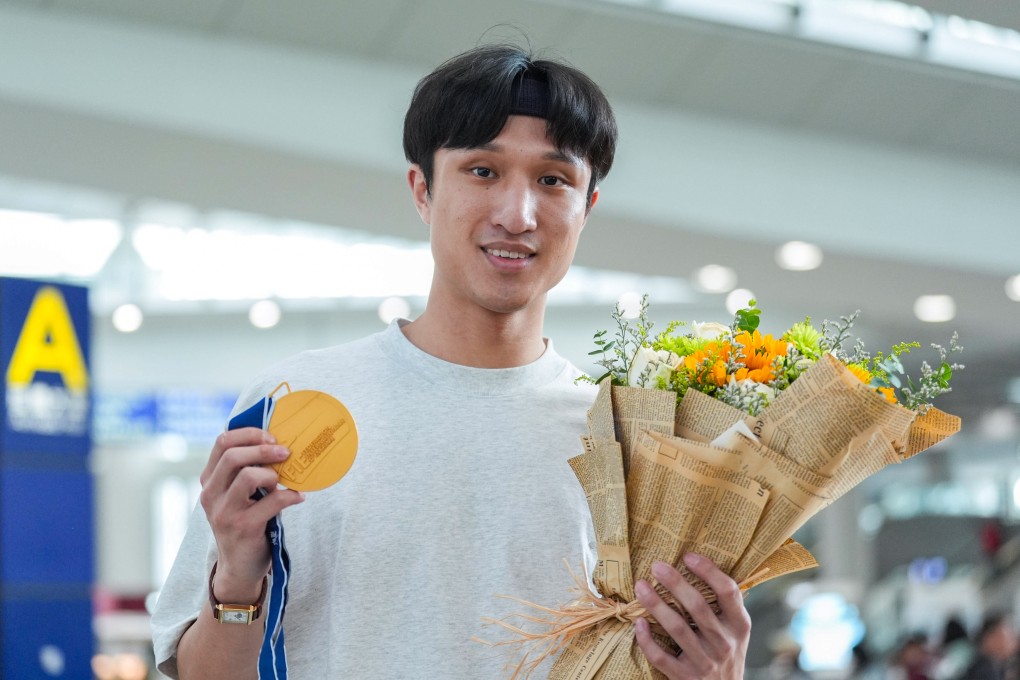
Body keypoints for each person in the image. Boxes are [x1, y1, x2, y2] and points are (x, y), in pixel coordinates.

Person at [150, 43, 751, 679]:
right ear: (422, 190)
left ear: (586, 208)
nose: (517, 215)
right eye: (483, 171)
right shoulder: (292, 404)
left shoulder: (632, 441)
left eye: (553, 180)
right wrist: (238, 579)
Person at [960, 613, 1019, 680]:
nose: (1013, 639)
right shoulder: (984, 668)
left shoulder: (993, 664)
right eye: (1008, 635)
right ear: (989, 638)